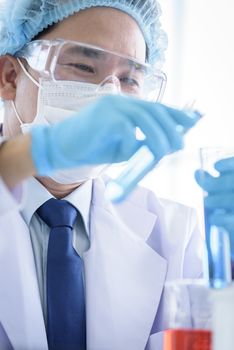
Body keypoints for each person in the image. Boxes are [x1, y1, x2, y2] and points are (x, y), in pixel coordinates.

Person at [0, 1, 205, 349]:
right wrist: (36, 152)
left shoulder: (174, 235)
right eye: (82, 66)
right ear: (10, 77)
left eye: (129, 79)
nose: (109, 96)